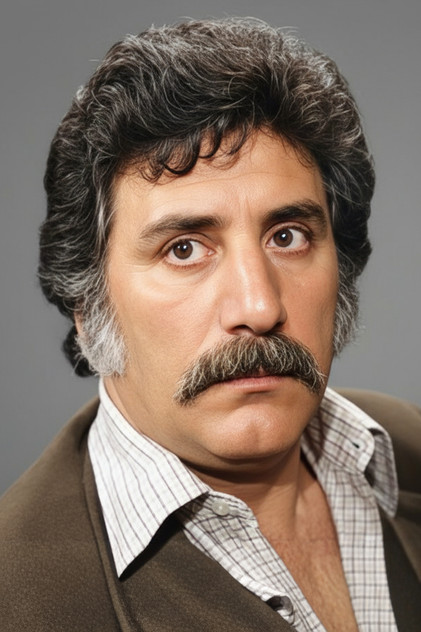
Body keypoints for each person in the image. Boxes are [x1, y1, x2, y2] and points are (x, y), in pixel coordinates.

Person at [1, 17, 420, 632]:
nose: (258, 306)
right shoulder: (19, 601)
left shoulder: (407, 445)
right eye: (185, 249)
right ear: (86, 305)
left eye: (288, 236)